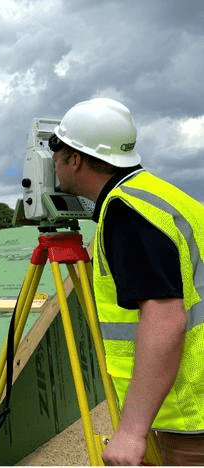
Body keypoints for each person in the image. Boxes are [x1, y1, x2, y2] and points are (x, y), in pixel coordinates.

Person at [48, 97, 204, 465]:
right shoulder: (161, 197)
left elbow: (165, 318)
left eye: (57, 152)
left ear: (75, 159)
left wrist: (132, 432)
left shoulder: (127, 212)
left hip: (190, 412)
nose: (52, 162)